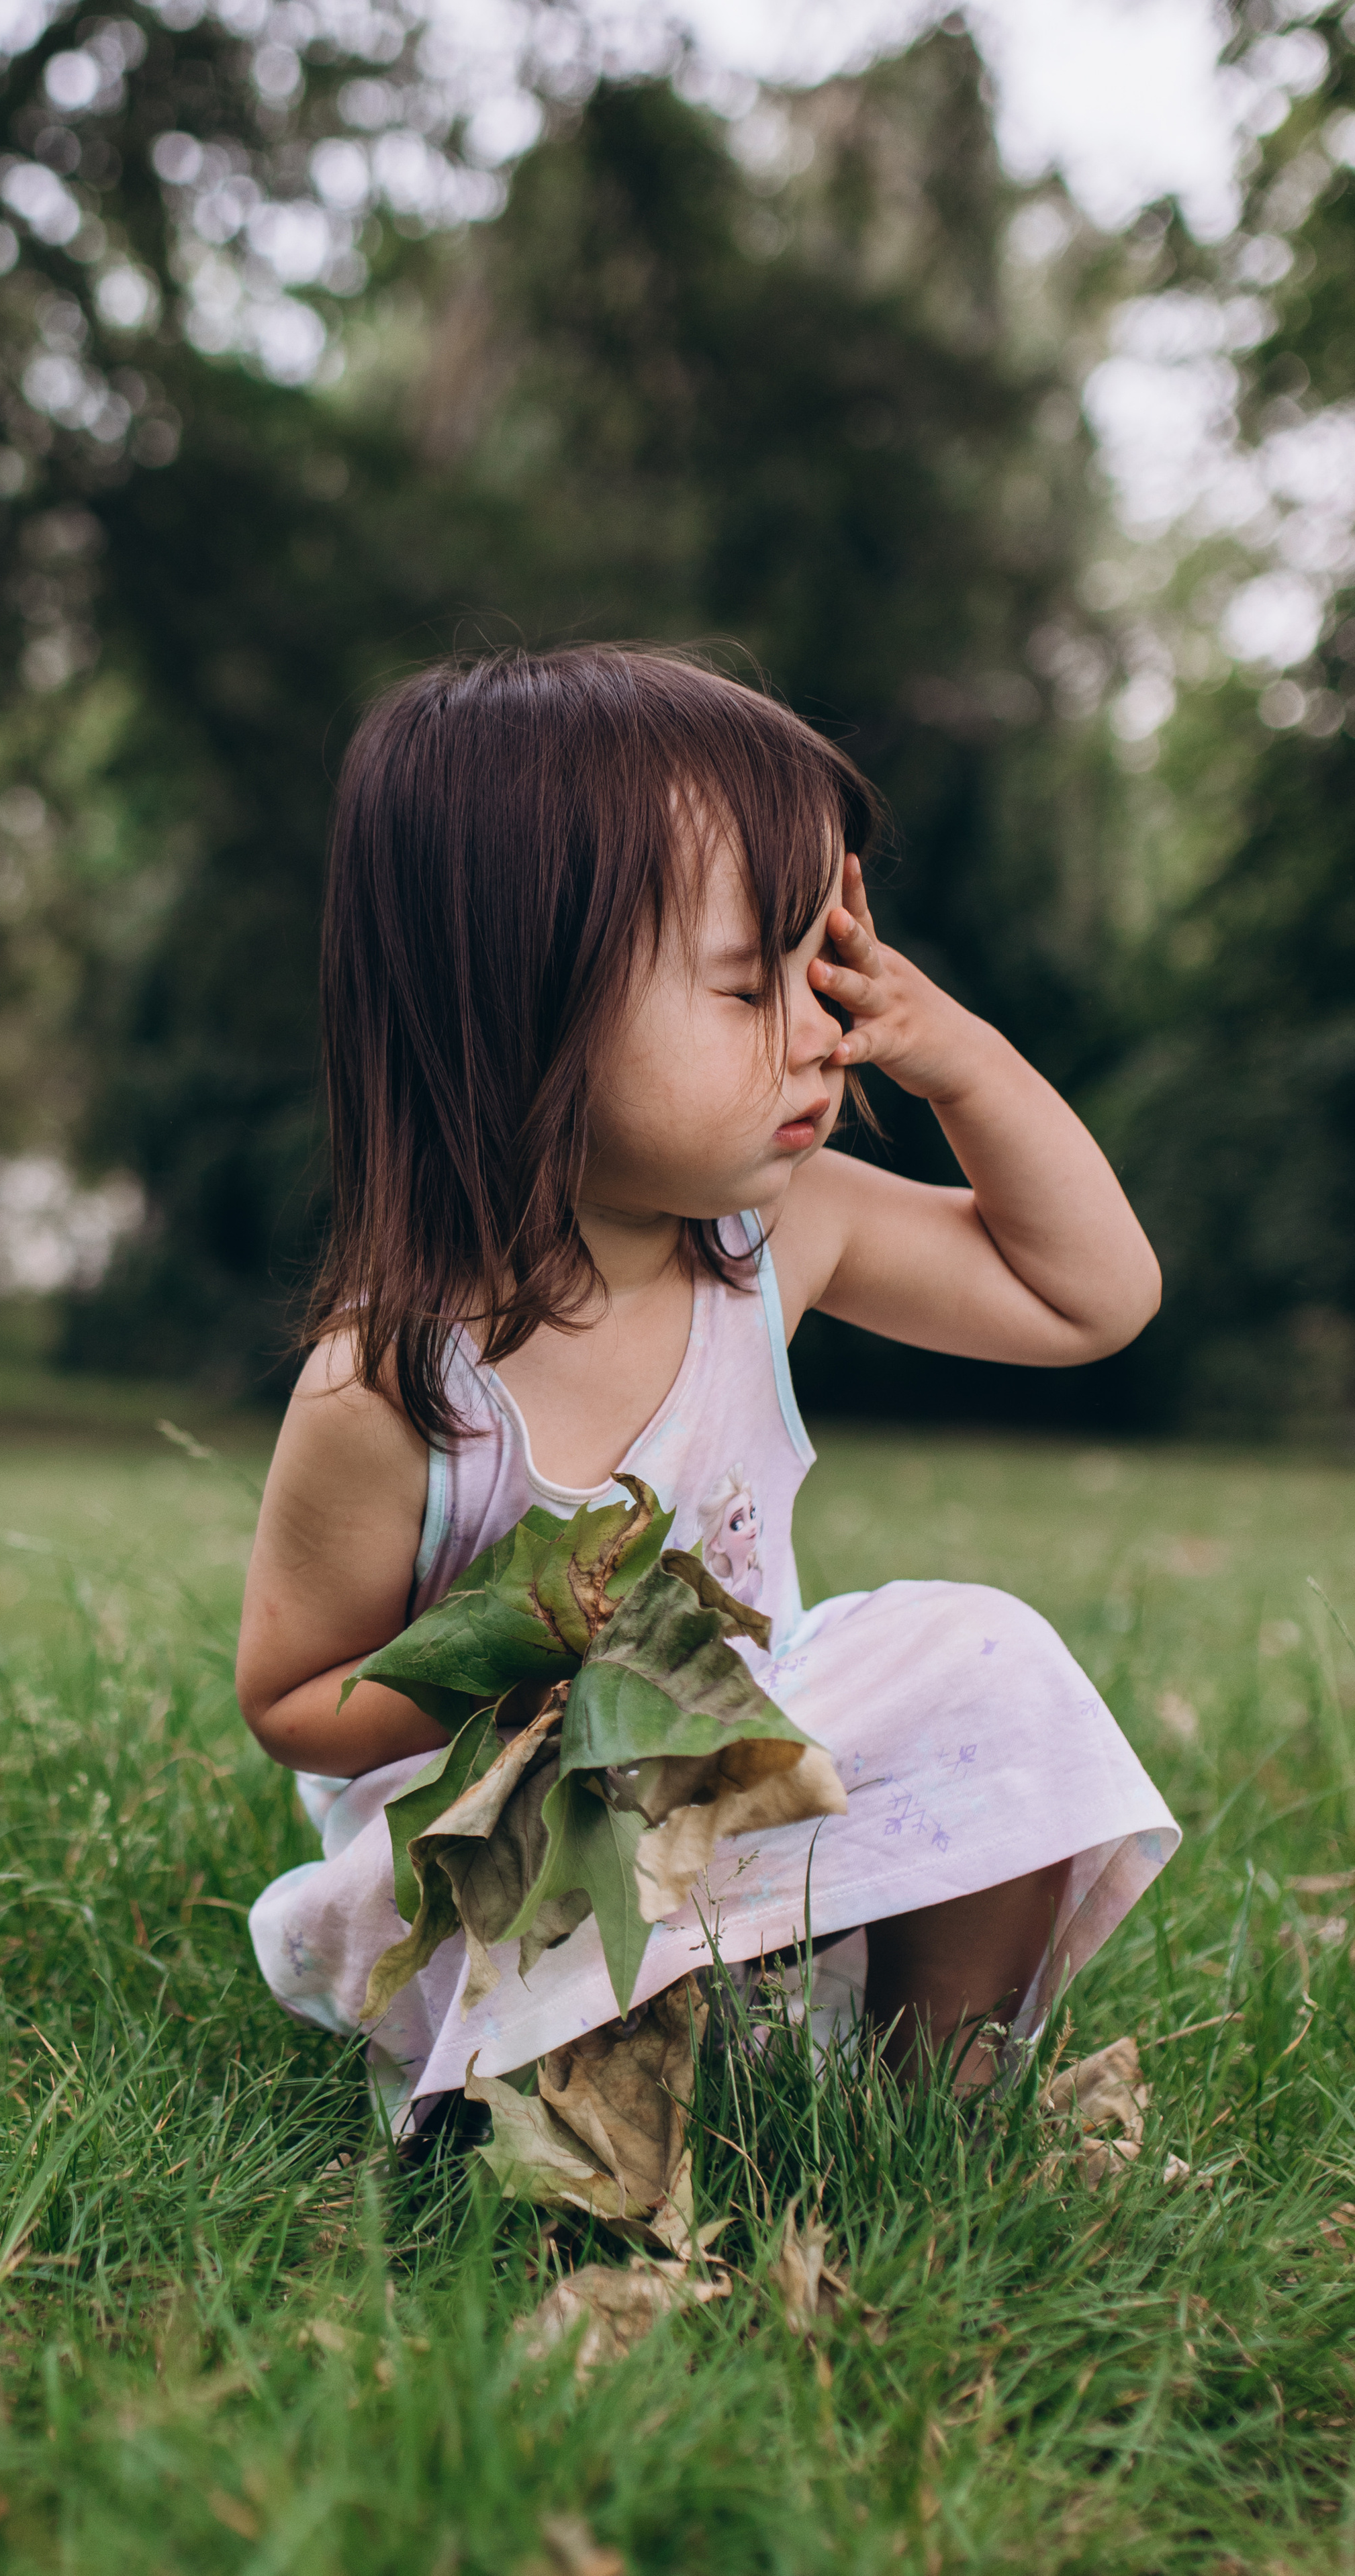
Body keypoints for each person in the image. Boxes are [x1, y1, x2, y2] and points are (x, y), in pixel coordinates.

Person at [236, 645, 1178, 2129]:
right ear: (518, 1009)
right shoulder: (397, 1380)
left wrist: (956, 1057)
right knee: (593, 1829)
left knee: (984, 1653)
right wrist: (524, 1660)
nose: (821, 1030)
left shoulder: (776, 1236)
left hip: (743, 1788)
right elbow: (293, 1702)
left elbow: (1090, 1298)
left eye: (826, 972)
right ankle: (579, 2075)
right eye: (749, 985)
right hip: (509, 1860)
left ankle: (933, 2101)